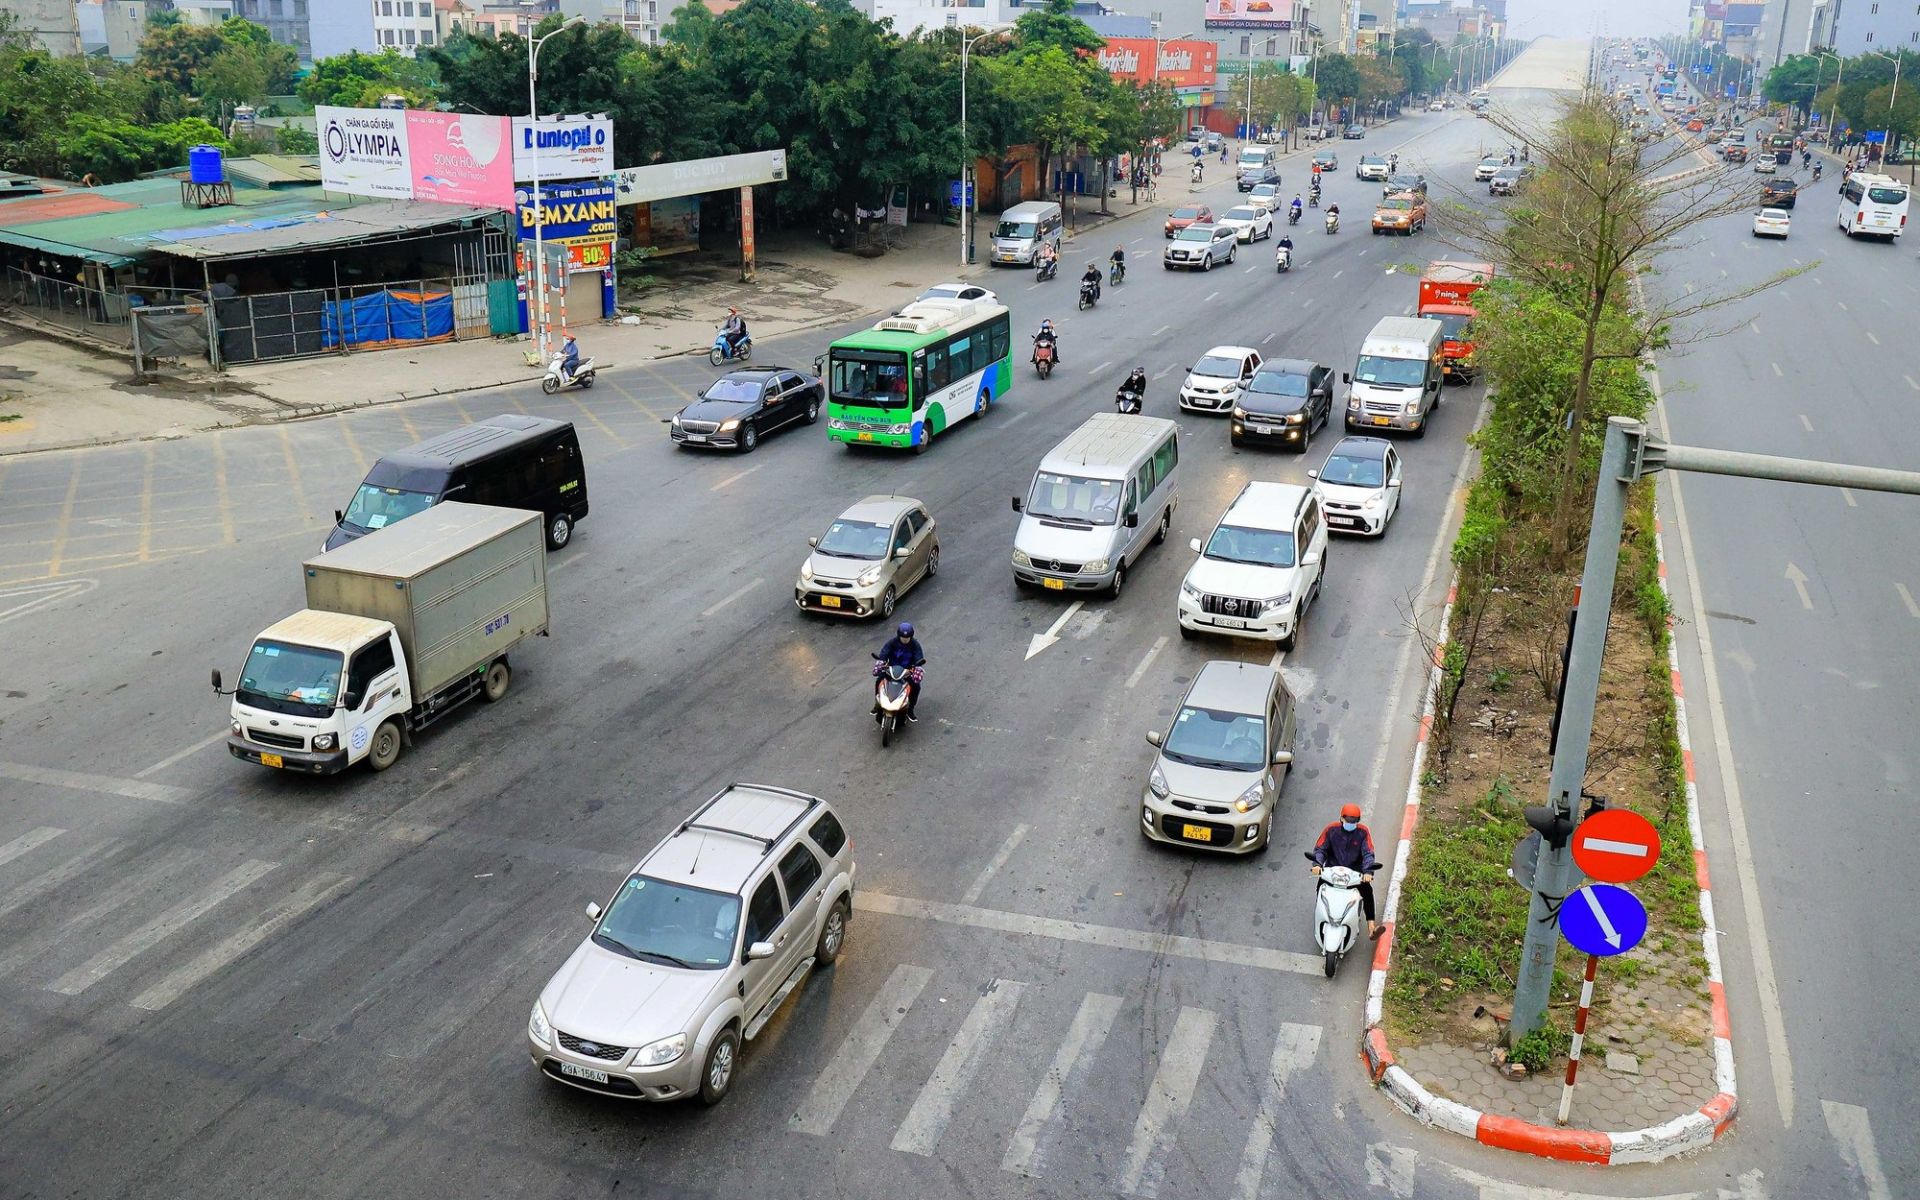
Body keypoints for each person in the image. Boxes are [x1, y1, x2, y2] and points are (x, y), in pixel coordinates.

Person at [1310, 803, 1383, 940]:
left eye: (1354, 822)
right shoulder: (1331, 830)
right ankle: (1322, 915)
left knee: (1367, 892)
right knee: (1320, 888)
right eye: (1349, 821)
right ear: (1341, 819)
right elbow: (1321, 849)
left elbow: (1368, 853)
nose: (1351, 824)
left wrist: (1368, 872)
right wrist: (1317, 864)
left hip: (1354, 874)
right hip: (1332, 872)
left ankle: (1371, 927)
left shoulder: (1363, 832)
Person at [873, 621, 926, 722]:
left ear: (911, 636)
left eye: (907, 638)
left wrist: (918, 668)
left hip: (907, 671)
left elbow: (919, 657)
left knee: (916, 687)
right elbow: (884, 652)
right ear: (899, 636)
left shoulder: (915, 645)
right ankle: (877, 704)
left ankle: (910, 710)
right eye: (903, 637)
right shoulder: (892, 642)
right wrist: (881, 662)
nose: (905, 640)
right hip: (891, 669)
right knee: (879, 681)